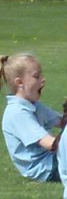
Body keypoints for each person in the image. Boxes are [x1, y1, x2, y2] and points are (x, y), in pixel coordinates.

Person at [3, 53, 62, 182]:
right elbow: (50, 144)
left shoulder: (33, 104)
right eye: (36, 76)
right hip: (45, 167)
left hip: (51, 159)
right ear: (19, 82)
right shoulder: (17, 113)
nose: (43, 79)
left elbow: (64, 122)